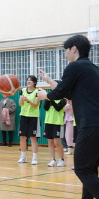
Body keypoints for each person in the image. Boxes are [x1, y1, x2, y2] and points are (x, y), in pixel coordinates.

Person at [37, 35, 99, 198]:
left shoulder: (74, 67)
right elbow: (68, 91)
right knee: (90, 169)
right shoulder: (93, 69)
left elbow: (60, 93)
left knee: (81, 169)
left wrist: (45, 96)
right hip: (96, 125)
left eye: (65, 50)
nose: (65, 54)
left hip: (90, 124)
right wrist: (50, 81)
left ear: (74, 49)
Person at [18, 75, 40, 165]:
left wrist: (27, 101)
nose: (28, 81)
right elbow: (20, 104)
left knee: (33, 138)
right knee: (22, 137)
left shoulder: (37, 92)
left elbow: (35, 104)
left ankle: (34, 158)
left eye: (30, 80)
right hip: (23, 115)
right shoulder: (22, 91)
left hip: (33, 116)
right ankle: (23, 156)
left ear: (35, 82)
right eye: (27, 80)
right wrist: (22, 100)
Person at [43, 83, 67, 167]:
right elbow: (45, 108)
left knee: (57, 142)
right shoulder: (48, 97)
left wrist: (51, 99)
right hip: (48, 121)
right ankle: (53, 160)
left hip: (57, 122)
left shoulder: (63, 99)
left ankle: (62, 159)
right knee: (50, 142)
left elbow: (58, 108)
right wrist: (48, 99)